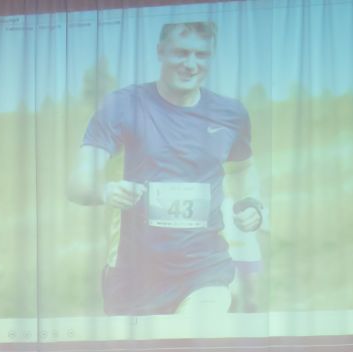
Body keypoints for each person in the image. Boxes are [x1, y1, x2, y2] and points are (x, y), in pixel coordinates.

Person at [67, 21, 265, 315]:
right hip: (134, 274)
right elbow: (77, 184)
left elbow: (244, 169)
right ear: (160, 51)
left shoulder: (230, 114)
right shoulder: (123, 106)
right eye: (181, 53)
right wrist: (105, 192)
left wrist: (251, 203)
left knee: (194, 337)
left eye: (201, 55)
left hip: (204, 269)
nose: (191, 64)